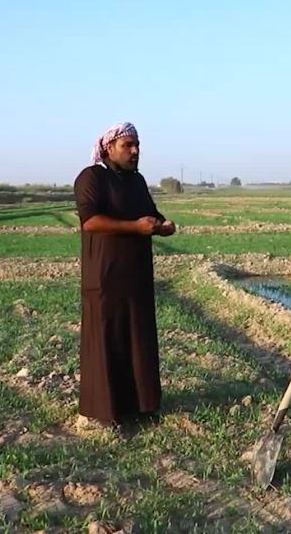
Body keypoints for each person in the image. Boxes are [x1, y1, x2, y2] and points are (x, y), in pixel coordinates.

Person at [73, 122, 176, 428]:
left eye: (137, 145)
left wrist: (163, 225)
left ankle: (142, 405)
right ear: (108, 148)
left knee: (138, 339)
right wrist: (134, 227)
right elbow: (90, 221)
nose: (135, 151)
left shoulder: (137, 181)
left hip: (137, 276)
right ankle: (102, 412)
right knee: (108, 340)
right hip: (104, 277)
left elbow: (151, 214)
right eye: (127, 145)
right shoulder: (92, 177)